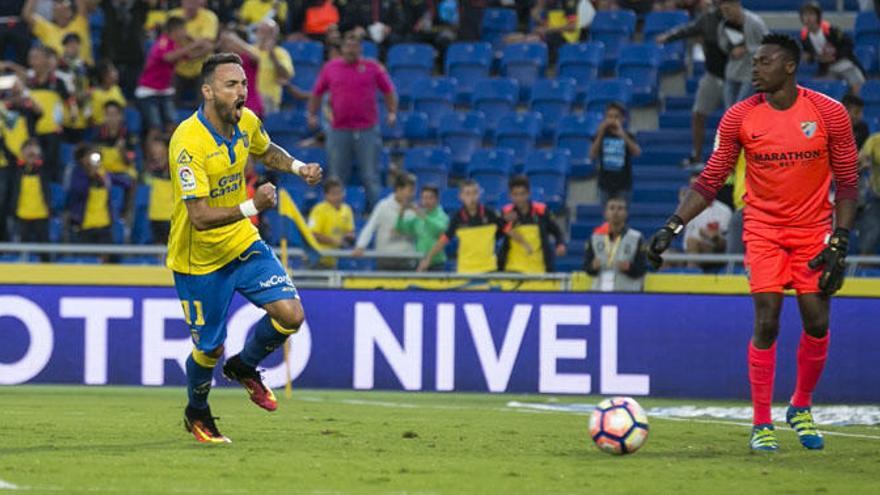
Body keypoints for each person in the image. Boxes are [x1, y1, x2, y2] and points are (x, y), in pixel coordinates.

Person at [646, 34, 859, 452]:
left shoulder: (829, 113)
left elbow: (849, 183)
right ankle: (761, 421)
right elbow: (710, 181)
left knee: (816, 321)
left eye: (764, 62)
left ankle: (800, 406)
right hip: (762, 228)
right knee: (767, 319)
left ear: (790, 67)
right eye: (755, 61)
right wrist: (673, 226)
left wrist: (841, 239)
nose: (755, 68)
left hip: (813, 227)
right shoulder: (739, 117)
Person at [167, 52, 322, 443]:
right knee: (209, 349)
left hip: (241, 241)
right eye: (231, 85)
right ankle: (197, 412)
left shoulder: (245, 121)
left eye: (244, 84)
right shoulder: (188, 143)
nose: (242, 92)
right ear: (208, 91)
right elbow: (199, 216)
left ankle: (245, 366)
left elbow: (266, 150)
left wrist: (297, 167)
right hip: (198, 257)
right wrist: (254, 205)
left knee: (291, 315)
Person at [308, 31, 398, 208]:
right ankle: (333, 216)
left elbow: (389, 91)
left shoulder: (372, 67)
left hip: (367, 129)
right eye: (347, 46)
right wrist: (311, 114)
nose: (351, 50)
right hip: (339, 129)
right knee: (336, 176)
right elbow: (317, 93)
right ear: (342, 48)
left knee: (370, 175)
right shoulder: (330, 68)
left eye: (354, 46)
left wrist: (392, 112)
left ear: (360, 49)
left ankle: (377, 215)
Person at [657, 1, 728, 168]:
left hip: (735, 78)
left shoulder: (742, 21)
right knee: (698, 113)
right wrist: (668, 37)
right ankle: (696, 155)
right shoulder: (708, 18)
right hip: (712, 74)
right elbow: (688, 30)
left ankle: (734, 157)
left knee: (736, 120)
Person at [418, 180, 532, 273]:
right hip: (466, 271)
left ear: (479, 194)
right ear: (461, 196)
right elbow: (444, 239)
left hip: (488, 270)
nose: (471, 197)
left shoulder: (489, 214)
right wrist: (429, 258)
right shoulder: (457, 218)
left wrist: (525, 244)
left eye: (474, 193)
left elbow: (508, 229)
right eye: (468, 193)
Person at [135, 16, 198, 133]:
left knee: (172, 126)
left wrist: (200, 43)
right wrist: (192, 45)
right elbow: (168, 57)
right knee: (155, 128)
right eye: (183, 30)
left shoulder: (176, 45)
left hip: (165, 91)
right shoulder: (163, 41)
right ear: (175, 30)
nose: (185, 33)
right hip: (149, 92)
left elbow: (191, 56)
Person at [500, 175, 567, 274]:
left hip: (540, 270)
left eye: (522, 194)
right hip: (512, 271)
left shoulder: (542, 211)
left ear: (529, 194)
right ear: (510, 196)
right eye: (515, 194)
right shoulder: (506, 213)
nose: (519, 198)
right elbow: (497, 234)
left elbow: (557, 231)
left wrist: (560, 244)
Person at [799, 1, 865, 97]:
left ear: (818, 16)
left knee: (857, 82)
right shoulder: (805, 38)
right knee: (820, 88)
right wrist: (811, 58)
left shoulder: (830, 30)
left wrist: (835, 56)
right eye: (805, 15)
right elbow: (810, 57)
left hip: (844, 64)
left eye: (811, 14)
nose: (808, 18)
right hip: (827, 69)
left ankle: (856, 105)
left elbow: (848, 44)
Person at [353, 173, 418, 270]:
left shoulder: (415, 210)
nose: (412, 194)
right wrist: (360, 246)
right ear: (399, 189)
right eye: (410, 190)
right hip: (386, 261)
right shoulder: (383, 206)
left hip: (407, 261)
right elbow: (370, 227)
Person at [583, 196, 648, 291]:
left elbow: (643, 268)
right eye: (612, 208)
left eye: (620, 208)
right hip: (600, 292)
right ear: (605, 213)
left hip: (627, 293)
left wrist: (630, 268)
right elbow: (586, 267)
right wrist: (592, 267)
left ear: (626, 214)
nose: (615, 212)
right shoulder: (595, 237)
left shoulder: (636, 237)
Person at [168, 0, 220, 108]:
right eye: (188, 2)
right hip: (177, 67)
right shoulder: (173, 16)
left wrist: (187, 49)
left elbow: (208, 46)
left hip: (202, 68)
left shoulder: (209, 17)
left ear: (200, 3)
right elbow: (168, 42)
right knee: (170, 104)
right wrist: (196, 45)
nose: (190, 5)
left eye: (194, 2)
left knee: (205, 106)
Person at [717, 0, 768, 108]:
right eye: (723, 11)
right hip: (733, 71)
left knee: (740, 107)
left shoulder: (755, 22)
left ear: (737, 5)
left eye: (728, 10)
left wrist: (747, 49)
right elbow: (722, 44)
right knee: (729, 110)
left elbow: (768, 45)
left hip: (751, 72)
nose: (726, 14)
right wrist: (731, 50)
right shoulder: (724, 25)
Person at [590, 101, 641, 206]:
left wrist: (622, 135)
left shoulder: (627, 135)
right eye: (609, 116)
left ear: (623, 119)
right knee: (607, 217)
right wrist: (600, 133)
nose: (612, 120)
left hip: (623, 185)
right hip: (605, 185)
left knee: (622, 215)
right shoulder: (601, 136)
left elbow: (637, 152)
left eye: (616, 116)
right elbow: (592, 154)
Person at [681, 173, 733, 271]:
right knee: (663, 255)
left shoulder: (724, 210)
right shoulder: (687, 208)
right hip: (689, 251)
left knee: (692, 241)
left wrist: (710, 236)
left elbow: (726, 239)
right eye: (692, 186)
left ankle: (692, 276)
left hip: (714, 249)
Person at [68, 143, 113, 248]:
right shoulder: (77, 173)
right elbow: (77, 192)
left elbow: (126, 183)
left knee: (106, 258)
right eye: (90, 156)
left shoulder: (103, 174)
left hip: (104, 225)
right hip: (84, 225)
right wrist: (90, 176)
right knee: (87, 259)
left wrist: (103, 179)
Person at [22, 0, 94, 66]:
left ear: (70, 12)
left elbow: (81, 5)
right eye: (56, 9)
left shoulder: (79, 23)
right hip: (58, 75)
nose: (59, 8)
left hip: (84, 73)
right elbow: (27, 14)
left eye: (64, 8)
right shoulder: (46, 28)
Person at [396, 185, 449, 271]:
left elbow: (439, 229)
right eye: (424, 198)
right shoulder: (418, 218)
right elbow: (400, 228)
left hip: (437, 265)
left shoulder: (443, 216)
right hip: (419, 263)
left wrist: (424, 217)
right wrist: (401, 212)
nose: (426, 201)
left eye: (430, 198)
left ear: (437, 199)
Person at [12, 139, 52, 249]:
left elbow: (50, 158)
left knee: (44, 250)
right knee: (22, 250)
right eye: (28, 149)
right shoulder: (16, 170)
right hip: (22, 215)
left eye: (34, 149)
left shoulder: (44, 169)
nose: (31, 152)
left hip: (41, 214)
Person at [308, 177, 356, 268]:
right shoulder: (318, 210)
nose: (338, 197)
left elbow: (350, 231)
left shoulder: (347, 209)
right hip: (317, 260)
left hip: (334, 260)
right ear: (326, 195)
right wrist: (335, 241)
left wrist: (349, 236)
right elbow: (313, 234)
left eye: (340, 193)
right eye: (334, 194)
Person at [254, 20, 294, 115]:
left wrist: (273, 56)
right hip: (248, 98)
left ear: (275, 36)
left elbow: (285, 76)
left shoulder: (281, 53)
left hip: (269, 100)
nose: (264, 35)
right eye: (262, 31)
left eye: (269, 32)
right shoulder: (250, 50)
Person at [144, 134, 172, 244]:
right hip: (154, 217)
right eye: (154, 148)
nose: (156, 151)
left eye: (159, 147)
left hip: (171, 217)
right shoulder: (148, 171)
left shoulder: (176, 169)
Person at [859, 130, 880, 254]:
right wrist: (863, 162)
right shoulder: (874, 140)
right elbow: (861, 160)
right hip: (877, 197)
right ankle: (864, 262)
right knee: (870, 232)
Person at [89, 60, 127, 126]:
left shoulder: (116, 89)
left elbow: (123, 109)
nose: (116, 72)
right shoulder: (94, 94)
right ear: (105, 76)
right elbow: (93, 120)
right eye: (113, 70)